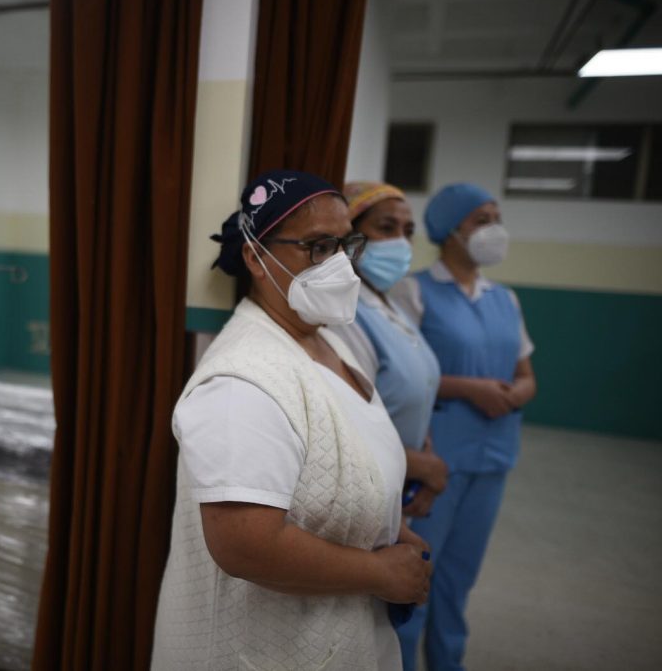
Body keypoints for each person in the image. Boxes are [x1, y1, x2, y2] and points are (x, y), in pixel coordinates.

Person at [151, 170, 432, 670]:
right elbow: (246, 546)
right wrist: (377, 572)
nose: (342, 264)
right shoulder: (241, 383)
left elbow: (346, 460)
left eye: (347, 244)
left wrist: (388, 529)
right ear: (257, 257)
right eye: (319, 247)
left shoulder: (331, 341)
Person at [388, 183, 537, 671]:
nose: (494, 230)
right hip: (437, 461)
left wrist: (517, 392)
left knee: (459, 579)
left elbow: (526, 374)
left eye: (497, 217)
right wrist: (472, 389)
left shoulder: (505, 300)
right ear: (449, 230)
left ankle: (448, 663)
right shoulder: (415, 292)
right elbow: (403, 373)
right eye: (481, 220)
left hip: (493, 458)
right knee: (419, 573)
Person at [330, 182, 449, 519]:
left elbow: (419, 389)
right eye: (386, 227)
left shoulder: (391, 303)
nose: (400, 240)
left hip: (402, 480)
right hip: (360, 489)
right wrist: (422, 466)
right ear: (348, 234)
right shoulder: (342, 313)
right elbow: (345, 431)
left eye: (408, 231)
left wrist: (422, 455)